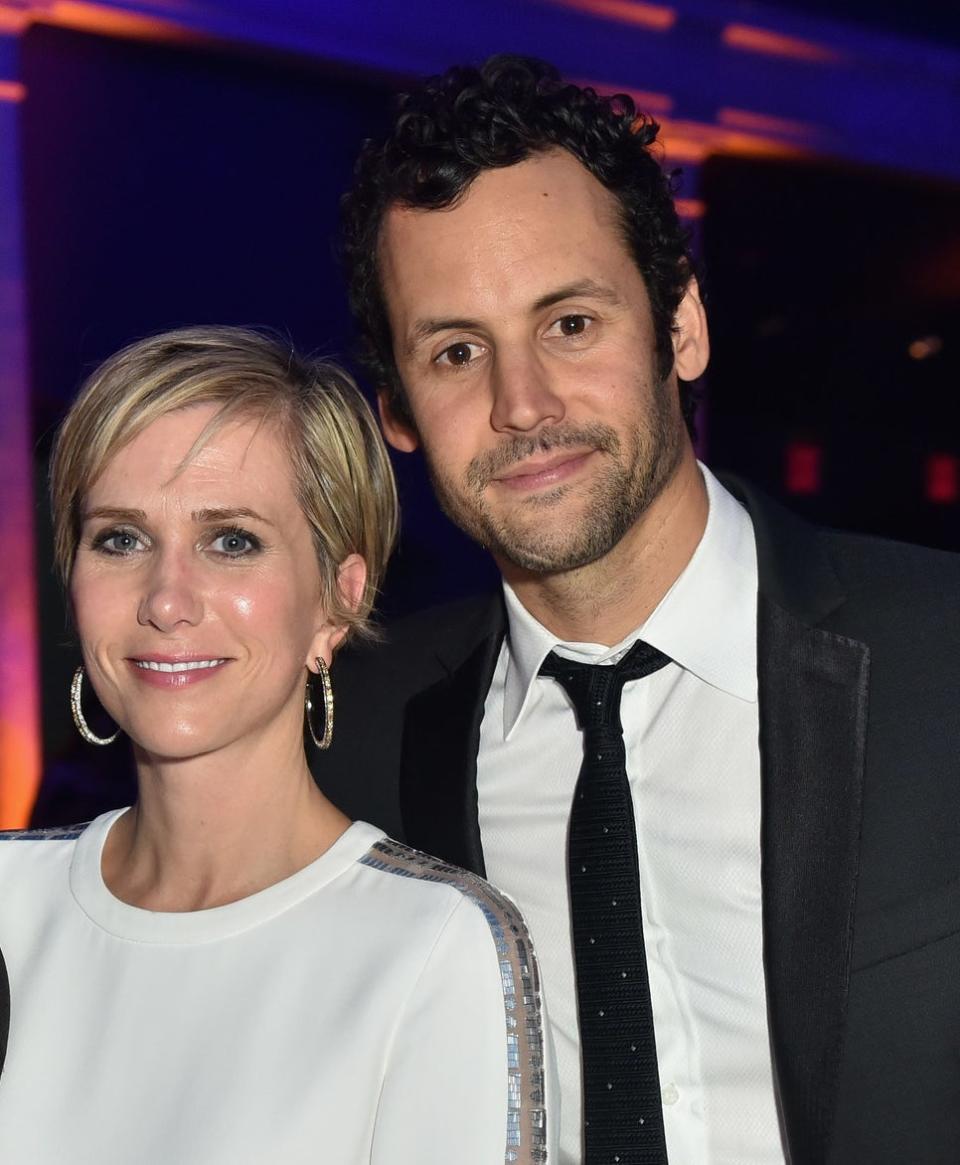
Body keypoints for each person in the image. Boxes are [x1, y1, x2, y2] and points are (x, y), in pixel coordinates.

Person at [321, 54, 960, 1164]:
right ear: (398, 412)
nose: (522, 404)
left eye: (570, 324)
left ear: (683, 329)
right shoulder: (349, 745)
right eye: (458, 350)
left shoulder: (941, 655)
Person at [0, 326, 556, 1164]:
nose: (165, 599)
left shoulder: (429, 946)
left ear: (338, 597)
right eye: (120, 537)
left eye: (232, 540)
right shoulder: (11, 902)